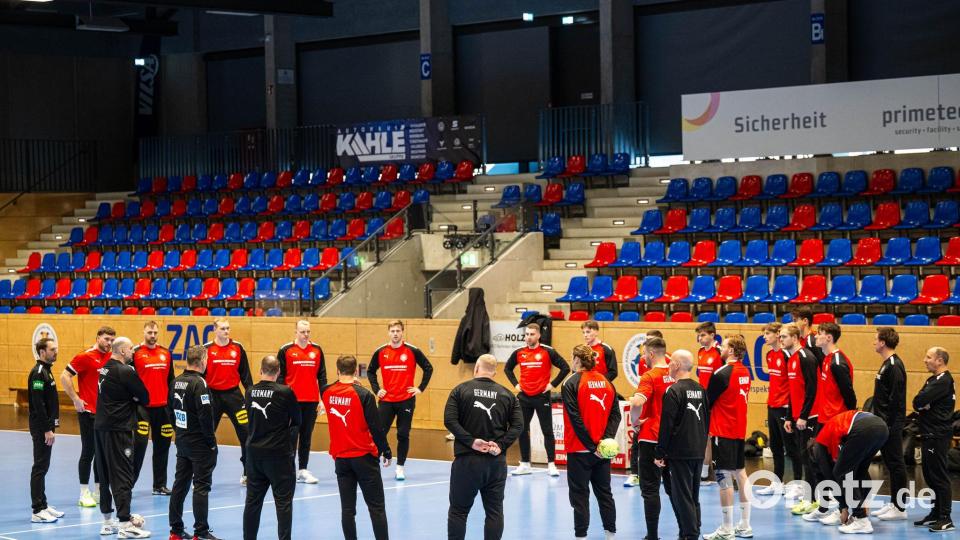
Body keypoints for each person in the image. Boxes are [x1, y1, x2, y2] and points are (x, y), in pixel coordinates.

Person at [444, 353, 522, 540]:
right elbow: (518, 426)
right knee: (494, 512)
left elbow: (449, 420)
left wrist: (471, 441)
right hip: (495, 463)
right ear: (494, 373)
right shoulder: (507, 395)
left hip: (467, 462)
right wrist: (500, 445)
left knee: (458, 512)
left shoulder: (460, 390)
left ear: (476, 368)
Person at [322, 355, 393, 540]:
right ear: (355, 372)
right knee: (376, 507)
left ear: (337, 370)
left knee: (347, 510)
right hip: (364, 457)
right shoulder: (364, 395)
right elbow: (376, 428)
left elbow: (330, 388)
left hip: (341, 459)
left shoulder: (326, 392)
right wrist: (386, 450)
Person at [562, 344, 620, 540]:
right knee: (605, 493)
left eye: (572, 358)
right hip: (602, 452)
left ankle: (581, 537)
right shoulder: (607, 382)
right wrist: (605, 442)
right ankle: (610, 535)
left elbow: (575, 418)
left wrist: (591, 446)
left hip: (579, 450)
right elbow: (616, 415)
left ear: (577, 360)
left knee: (579, 497)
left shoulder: (570, 383)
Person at [95, 336, 151, 538]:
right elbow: (145, 397)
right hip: (118, 429)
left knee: (104, 474)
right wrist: (132, 397)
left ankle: (107, 522)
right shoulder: (125, 371)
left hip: (100, 427)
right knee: (123, 475)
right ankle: (125, 523)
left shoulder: (104, 368)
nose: (133, 352)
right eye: (130, 349)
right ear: (121, 351)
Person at [803, 321, 856, 525]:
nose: (816, 336)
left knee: (836, 467)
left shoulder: (837, 363)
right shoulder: (826, 359)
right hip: (824, 420)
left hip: (836, 422)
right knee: (818, 461)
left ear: (829, 338)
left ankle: (844, 507)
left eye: (820, 333)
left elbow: (849, 395)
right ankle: (825, 506)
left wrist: (845, 420)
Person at [243, 355, 301, 540]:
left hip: (254, 455)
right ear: (278, 372)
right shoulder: (285, 392)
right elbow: (297, 421)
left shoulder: (250, 391)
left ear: (260, 371)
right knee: (283, 503)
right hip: (278, 455)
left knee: (252, 502)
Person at [368, 320, 433, 481]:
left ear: (402, 332)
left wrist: (420, 388)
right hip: (386, 400)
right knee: (378, 432)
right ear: (388, 332)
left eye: (398, 330)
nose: (395, 333)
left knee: (403, 434)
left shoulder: (412, 350)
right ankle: (374, 465)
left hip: (406, 400)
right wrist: (377, 389)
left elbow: (428, 367)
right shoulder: (381, 351)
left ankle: (400, 467)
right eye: (392, 331)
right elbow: (370, 371)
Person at [504, 323, 570, 476]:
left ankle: (551, 464)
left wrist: (552, 385)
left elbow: (565, 367)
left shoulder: (548, 351)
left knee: (547, 430)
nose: (528, 337)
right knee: (522, 429)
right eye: (526, 334)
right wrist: (516, 385)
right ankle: (525, 463)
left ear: (539, 335)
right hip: (524, 397)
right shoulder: (519, 352)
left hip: (542, 397)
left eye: (532, 334)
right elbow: (507, 368)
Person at [656, 349, 709, 540]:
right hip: (697, 450)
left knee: (681, 496)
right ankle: (691, 529)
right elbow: (706, 421)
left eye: (670, 363)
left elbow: (667, 424)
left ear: (676, 365)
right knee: (692, 495)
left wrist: (659, 452)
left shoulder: (674, 390)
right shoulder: (701, 389)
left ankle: (690, 534)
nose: (668, 366)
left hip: (679, 452)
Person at [60, 326, 115, 507]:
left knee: (103, 454)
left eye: (112, 340)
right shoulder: (85, 356)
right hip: (88, 413)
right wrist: (75, 398)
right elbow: (65, 376)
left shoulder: (111, 356)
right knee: (88, 452)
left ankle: (99, 491)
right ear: (98, 337)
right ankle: (84, 492)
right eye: (106, 339)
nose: (109, 343)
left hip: (105, 414)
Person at [703, 335, 752, 540]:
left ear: (731, 350)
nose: (720, 348)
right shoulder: (745, 372)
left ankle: (727, 528)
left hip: (723, 432)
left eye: (723, 346)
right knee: (741, 474)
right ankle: (745, 525)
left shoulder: (722, 373)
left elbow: (707, 401)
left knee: (723, 479)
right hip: (739, 431)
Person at [169, 345, 219, 540]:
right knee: (201, 486)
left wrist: (179, 432)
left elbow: (169, 410)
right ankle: (201, 532)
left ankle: (175, 530)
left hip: (182, 441)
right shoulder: (200, 383)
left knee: (179, 485)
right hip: (199, 444)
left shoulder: (176, 381)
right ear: (202, 361)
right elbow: (205, 416)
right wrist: (211, 442)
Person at [629, 336, 676, 540]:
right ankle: (687, 530)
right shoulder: (677, 374)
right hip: (675, 439)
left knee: (650, 489)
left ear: (650, 354)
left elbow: (638, 401)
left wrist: (634, 420)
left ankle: (653, 535)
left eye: (643, 355)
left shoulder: (649, 376)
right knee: (676, 489)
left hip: (651, 438)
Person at [814, 410, 888, 534]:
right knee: (859, 471)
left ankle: (861, 520)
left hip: (864, 428)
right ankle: (860, 512)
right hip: (882, 427)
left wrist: (842, 507)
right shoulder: (831, 433)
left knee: (841, 472)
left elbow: (831, 478)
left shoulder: (820, 445)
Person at [204, 318, 253, 484]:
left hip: (234, 396)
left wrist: (251, 395)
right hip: (213, 397)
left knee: (246, 433)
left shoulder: (237, 348)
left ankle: (248, 472)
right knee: (207, 435)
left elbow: (246, 375)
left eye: (228, 328)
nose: (226, 331)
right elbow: (200, 378)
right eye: (223, 328)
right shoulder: (206, 349)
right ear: (215, 330)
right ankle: (204, 474)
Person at [277, 319, 326, 484]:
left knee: (306, 436)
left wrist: (323, 400)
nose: (305, 335)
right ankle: (288, 470)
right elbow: (280, 377)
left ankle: (303, 470)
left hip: (311, 401)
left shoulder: (317, 350)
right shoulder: (286, 350)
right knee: (291, 436)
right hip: (292, 402)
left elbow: (322, 376)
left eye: (308, 332)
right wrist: (282, 399)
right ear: (295, 332)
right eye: (302, 332)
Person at [912, 347, 955, 532]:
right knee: (929, 474)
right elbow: (917, 402)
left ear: (940, 360)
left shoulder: (943, 381)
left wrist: (924, 404)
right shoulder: (933, 380)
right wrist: (923, 404)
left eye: (929, 357)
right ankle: (936, 512)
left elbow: (920, 401)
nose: (925, 360)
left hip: (937, 435)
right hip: (930, 433)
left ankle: (946, 518)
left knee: (939, 476)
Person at [867, 327, 907, 521]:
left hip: (891, 425)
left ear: (883, 342)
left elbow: (897, 400)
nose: (873, 342)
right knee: (891, 464)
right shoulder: (886, 364)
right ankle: (894, 503)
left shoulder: (894, 365)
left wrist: (890, 426)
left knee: (896, 464)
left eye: (876, 339)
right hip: (884, 424)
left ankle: (900, 507)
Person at [780, 323, 820, 514]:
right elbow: (793, 391)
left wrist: (803, 416)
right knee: (804, 458)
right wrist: (789, 416)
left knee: (811, 460)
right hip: (797, 417)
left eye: (784, 337)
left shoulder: (806, 357)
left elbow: (813, 389)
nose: (781, 340)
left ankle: (814, 500)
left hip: (809, 417)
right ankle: (809, 498)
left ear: (795, 338)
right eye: (780, 337)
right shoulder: (791, 359)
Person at [757, 322, 800, 497]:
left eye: (768, 333)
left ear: (777, 335)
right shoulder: (769, 355)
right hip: (772, 405)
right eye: (764, 333)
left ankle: (798, 483)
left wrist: (790, 407)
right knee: (775, 446)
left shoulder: (787, 355)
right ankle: (778, 482)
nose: (765, 337)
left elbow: (793, 382)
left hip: (785, 407)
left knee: (791, 448)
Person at [132, 321, 175, 495]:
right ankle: (128, 485)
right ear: (144, 332)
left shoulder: (166, 353)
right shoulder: (135, 353)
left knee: (163, 447)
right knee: (139, 447)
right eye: (150, 332)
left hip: (163, 409)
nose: (152, 336)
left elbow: (171, 380)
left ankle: (159, 485)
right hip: (142, 408)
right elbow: (128, 378)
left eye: (155, 333)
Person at [29, 338, 65, 523]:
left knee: (44, 466)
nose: (55, 352)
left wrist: (52, 426)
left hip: (47, 427)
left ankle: (43, 504)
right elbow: (38, 404)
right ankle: (37, 510)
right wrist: (46, 429)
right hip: (41, 428)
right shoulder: (38, 373)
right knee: (39, 467)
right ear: (42, 352)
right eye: (52, 349)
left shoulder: (47, 372)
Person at [625, 330, 661, 488]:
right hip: (645, 404)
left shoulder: (669, 361)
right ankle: (634, 474)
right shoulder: (642, 361)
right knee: (636, 440)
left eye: (649, 340)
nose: (645, 344)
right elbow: (642, 384)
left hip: (658, 412)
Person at [695, 322, 721, 484]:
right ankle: (704, 471)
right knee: (705, 436)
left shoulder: (719, 352)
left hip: (716, 401)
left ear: (712, 335)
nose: (700, 338)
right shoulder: (699, 352)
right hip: (702, 399)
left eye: (703, 335)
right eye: (698, 335)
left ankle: (715, 469)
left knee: (714, 436)